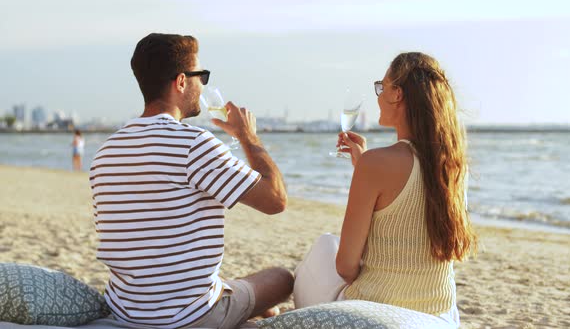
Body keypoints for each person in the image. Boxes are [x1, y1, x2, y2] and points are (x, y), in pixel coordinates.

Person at [89, 33, 292, 329]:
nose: (203, 85)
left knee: (231, 287)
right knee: (282, 278)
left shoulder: (106, 151)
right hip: (190, 318)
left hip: (127, 311)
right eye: (202, 76)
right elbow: (275, 200)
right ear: (182, 81)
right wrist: (247, 136)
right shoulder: (193, 144)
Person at [293, 52, 477, 328]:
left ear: (397, 94)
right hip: (440, 316)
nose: (378, 95)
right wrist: (364, 167)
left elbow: (345, 267)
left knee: (323, 247)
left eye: (382, 86)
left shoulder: (376, 163)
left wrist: (367, 167)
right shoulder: (452, 164)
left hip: (375, 312)